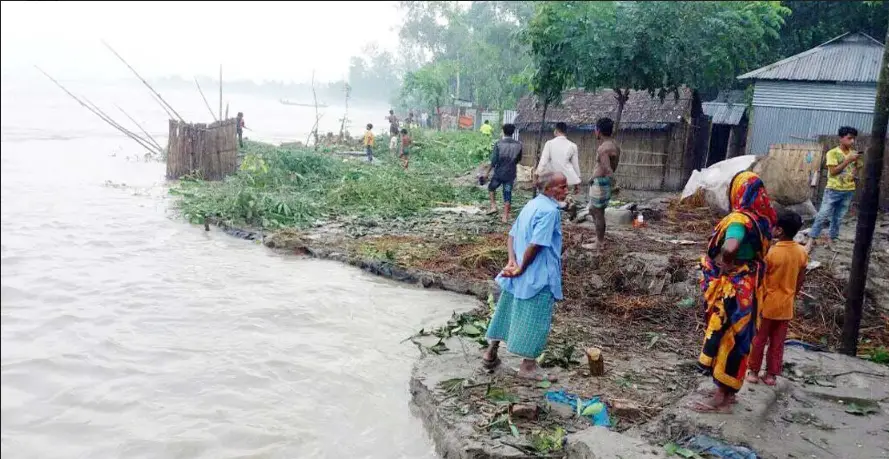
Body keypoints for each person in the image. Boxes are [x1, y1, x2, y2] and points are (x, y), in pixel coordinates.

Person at [694, 171, 777, 413]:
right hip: (751, 285)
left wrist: (725, 265)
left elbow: (730, 247)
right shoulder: (762, 220)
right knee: (742, 337)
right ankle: (728, 392)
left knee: (726, 335)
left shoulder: (740, 220)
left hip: (735, 289)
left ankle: (720, 398)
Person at [482, 172, 568, 382]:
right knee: (537, 318)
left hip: (518, 270)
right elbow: (537, 244)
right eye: (561, 187)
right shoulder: (550, 211)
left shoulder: (532, 205)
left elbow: (511, 235)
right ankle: (529, 366)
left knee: (506, 310)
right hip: (537, 273)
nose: (566, 190)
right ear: (548, 189)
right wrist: (520, 267)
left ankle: (491, 353)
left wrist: (512, 261)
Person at [747, 211, 808, 387]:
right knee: (778, 342)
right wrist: (793, 294)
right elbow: (801, 277)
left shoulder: (771, 253)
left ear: (779, 230)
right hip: (786, 305)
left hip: (767, 303)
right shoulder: (801, 252)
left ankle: (753, 371)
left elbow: (761, 278)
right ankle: (771, 375)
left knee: (759, 339)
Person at [806, 126, 861, 251]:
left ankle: (831, 241)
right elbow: (833, 171)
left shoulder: (854, 154)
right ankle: (810, 241)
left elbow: (858, 167)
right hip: (833, 190)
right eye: (849, 138)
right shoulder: (832, 153)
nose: (852, 141)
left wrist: (854, 172)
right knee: (822, 215)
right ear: (841, 138)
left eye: (853, 139)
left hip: (848, 190)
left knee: (838, 218)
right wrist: (848, 160)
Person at [586, 118, 621, 251]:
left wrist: (614, 184)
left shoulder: (603, 148)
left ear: (598, 131)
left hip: (601, 183)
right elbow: (610, 166)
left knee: (598, 212)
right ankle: (598, 237)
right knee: (592, 210)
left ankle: (599, 242)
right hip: (600, 182)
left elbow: (607, 168)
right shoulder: (614, 145)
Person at [482, 123, 523, 223]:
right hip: (510, 174)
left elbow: (493, 161)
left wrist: (486, 173)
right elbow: (518, 159)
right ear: (513, 133)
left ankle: (493, 206)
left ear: (503, 131)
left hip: (499, 173)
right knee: (507, 193)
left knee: (491, 187)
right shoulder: (519, 145)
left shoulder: (499, 144)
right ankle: (505, 217)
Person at [536, 122, 581, 196]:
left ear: (556, 131)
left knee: (551, 199)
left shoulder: (549, 143)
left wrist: (537, 175)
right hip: (566, 180)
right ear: (566, 132)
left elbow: (543, 162)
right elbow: (575, 166)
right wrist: (577, 183)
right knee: (564, 200)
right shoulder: (573, 146)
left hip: (552, 179)